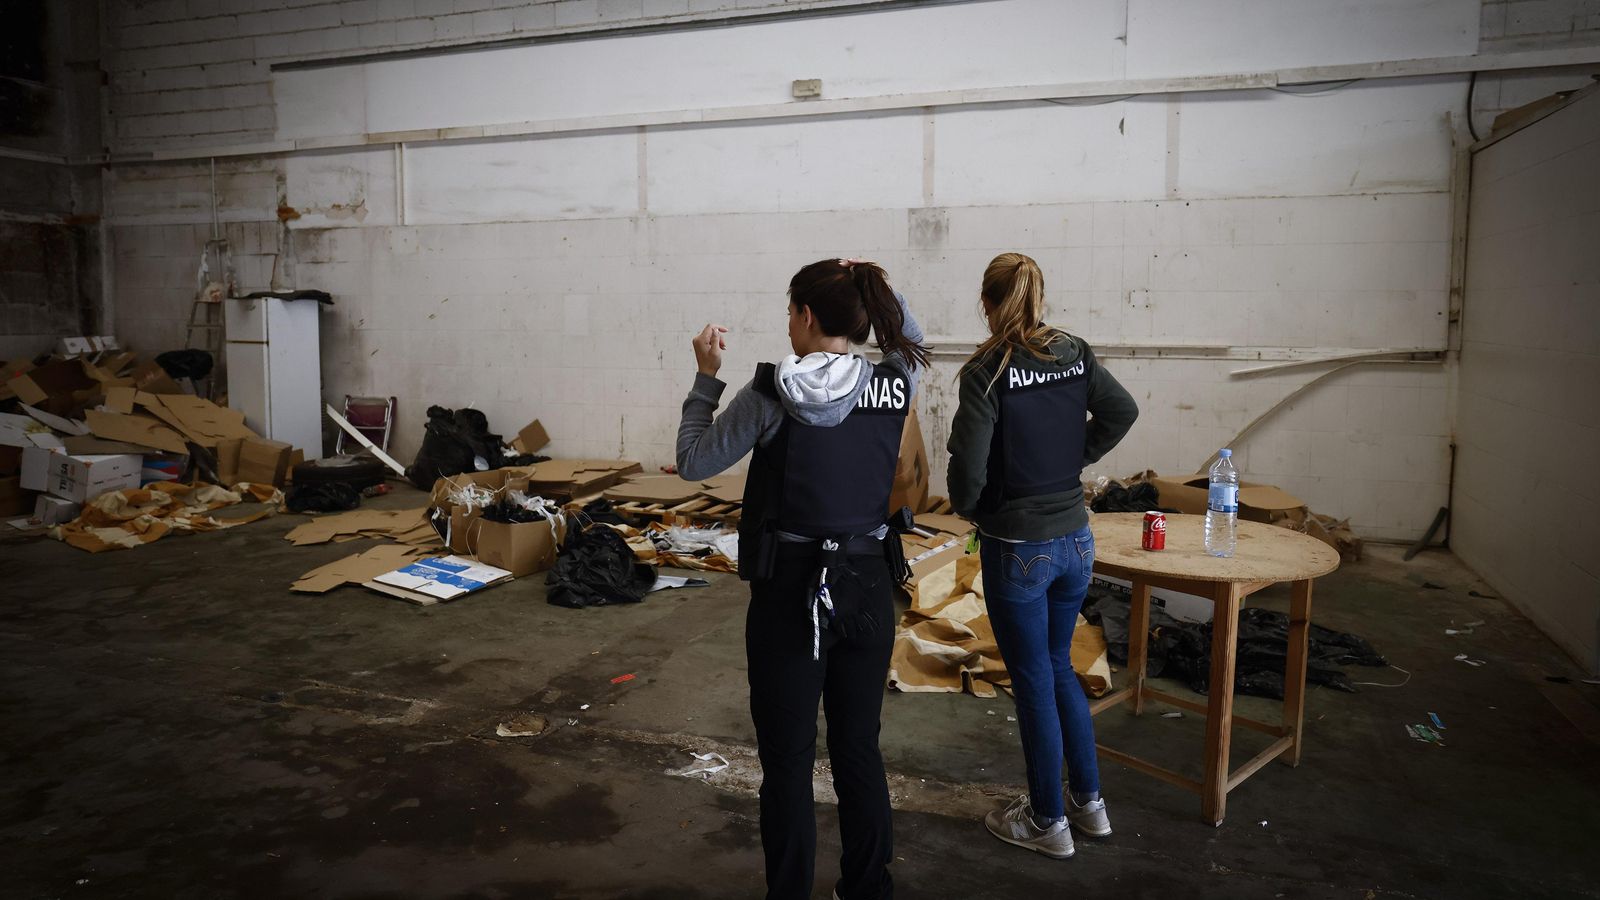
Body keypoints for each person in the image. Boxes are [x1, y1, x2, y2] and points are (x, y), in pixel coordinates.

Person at [677, 258, 928, 900]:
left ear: (807, 316)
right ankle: (867, 887)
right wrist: (875, 282)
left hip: (792, 593)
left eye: (791, 312)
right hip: (869, 586)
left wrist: (706, 377)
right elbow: (913, 337)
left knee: (788, 762)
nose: (788, 325)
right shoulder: (893, 382)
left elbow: (692, 460)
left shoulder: (768, 394)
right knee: (858, 750)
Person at [946, 252, 1139, 859]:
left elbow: (968, 468)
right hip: (1076, 541)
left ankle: (1048, 821)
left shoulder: (987, 369)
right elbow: (1122, 410)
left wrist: (972, 506)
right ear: (1038, 295)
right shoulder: (1072, 351)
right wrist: (1073, 459)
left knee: (1032, 679)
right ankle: (1090, 805)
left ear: (986, 301)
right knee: (1058, 669)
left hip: (1019, 546)